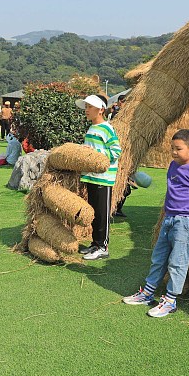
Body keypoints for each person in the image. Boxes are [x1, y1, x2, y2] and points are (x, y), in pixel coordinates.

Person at [123, 129, 189, 317]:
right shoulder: (173, 166)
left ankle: (170, 300)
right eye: (172, 148)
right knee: (159, 256)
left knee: (177, 261)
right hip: (169, 218)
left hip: (185, 221)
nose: (173, 152)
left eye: (178, 149)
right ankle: (148, 293)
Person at [76, 94, 121, 261]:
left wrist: (95, 156)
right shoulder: (92, 128)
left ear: (101, 109)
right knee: (94, 212)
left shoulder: (106, 128)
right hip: (91, 177)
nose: (86, 110)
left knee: (102, 214)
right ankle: (95, 243)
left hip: (103, 177)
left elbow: (116, 151)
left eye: (90, 107)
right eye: (86, 106)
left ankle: (103, 247)